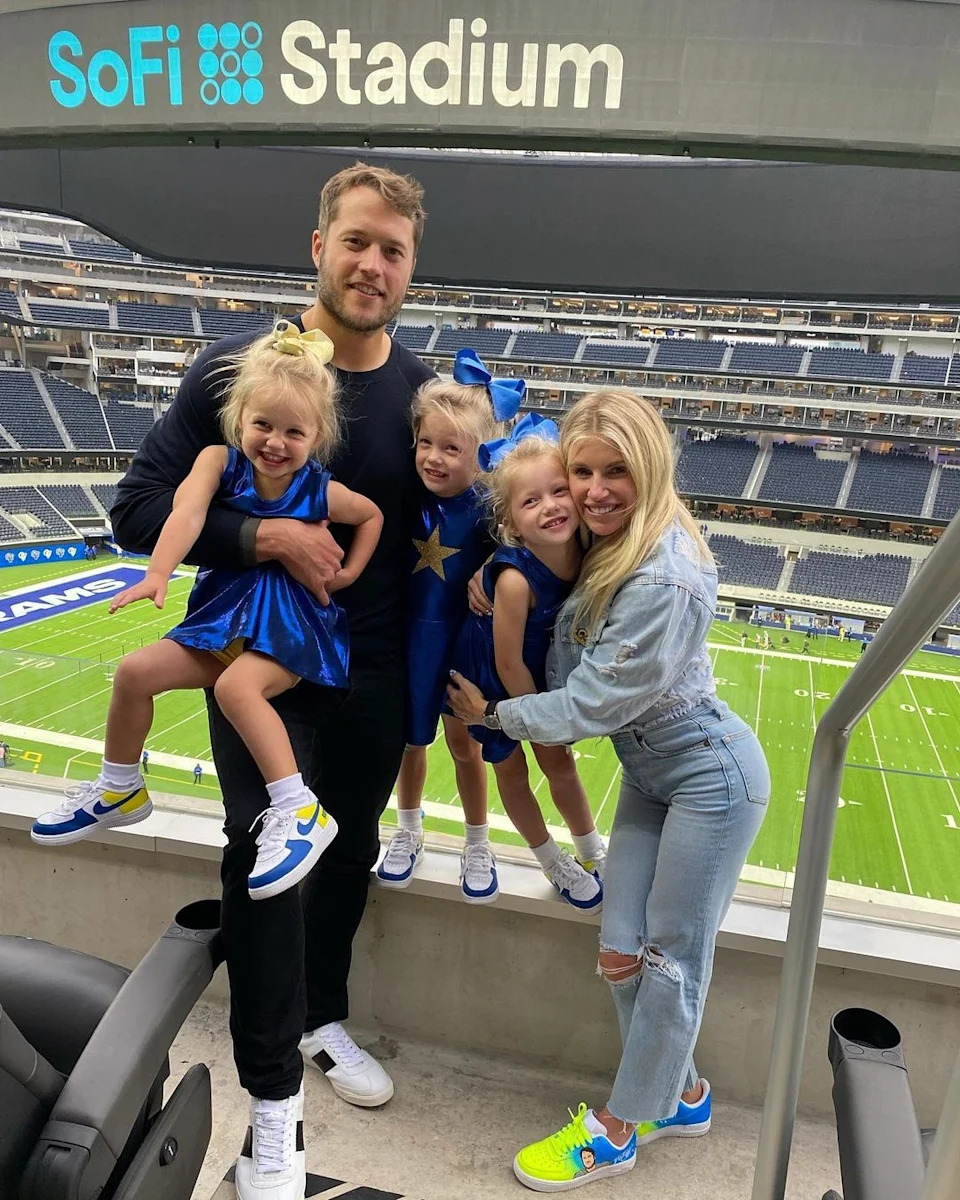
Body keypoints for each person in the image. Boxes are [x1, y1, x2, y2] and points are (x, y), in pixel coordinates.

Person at [110, 163, 433, 1200]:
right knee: (264, 864)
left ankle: (323, 1017)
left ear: (411, 267)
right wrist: (267, 538)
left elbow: (454, 530)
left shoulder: (424, 393)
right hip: (259, 660)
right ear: (319, 246)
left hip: (370, 668)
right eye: (357, 241)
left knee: (347, 853)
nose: (372, 264)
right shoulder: (236, 372)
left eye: (392, 250)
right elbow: (138, 509)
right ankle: (273, 1110)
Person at [449, 390, 769, 1192]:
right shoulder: (615, 532)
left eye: (614, 471)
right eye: (581, 471)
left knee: (671, 959)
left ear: (649, 467)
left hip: (708, 775)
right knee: (621, 950)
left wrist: (494, 715)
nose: (592, 492)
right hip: (652, 773)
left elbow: (590, 706)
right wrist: (501, 564)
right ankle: (684, 1097)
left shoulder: (664, 575)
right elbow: (543, 535)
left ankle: (619, 1130)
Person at [33, 324, 383, 907]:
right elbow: (186, 516)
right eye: (263, 424)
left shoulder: (320, 489)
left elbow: (371, 515)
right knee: (134, 673)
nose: (275, 442)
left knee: (236, 689)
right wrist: (157, 573)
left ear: (317, 436)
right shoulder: (217, 461)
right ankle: (120, 787)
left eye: (294, 431)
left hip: (292, 629)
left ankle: (299, 809)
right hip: (224, 618)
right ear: (239, 416)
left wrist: (346, 575)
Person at [450, 416, 604, 909]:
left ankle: (592, 850)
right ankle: (551, 860)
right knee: (513, 772)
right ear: (511, 524)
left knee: (561, 765)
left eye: (558, 491)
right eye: (531, 501)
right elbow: (508, 662)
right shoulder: (515, 581)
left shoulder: (586, 546)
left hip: (537, 674)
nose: (551, 506)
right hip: (495, 678)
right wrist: (539, 719)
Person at [377, 351, 513, 897]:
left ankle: (477, 841)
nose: (433, 458)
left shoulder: (489, 506)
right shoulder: (406, 493)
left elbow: (522, 550)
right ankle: (408, 829)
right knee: (410, 742)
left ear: (482, 456)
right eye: (425, 443)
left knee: (464, 743)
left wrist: (494, 565)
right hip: (410, 636)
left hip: (462, 641)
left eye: (451, 449)